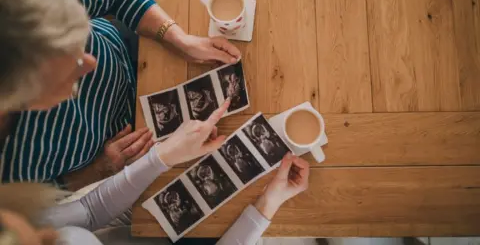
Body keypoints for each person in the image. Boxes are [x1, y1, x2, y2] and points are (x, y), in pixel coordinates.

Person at [0, 0, 241, 190]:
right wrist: (96, 171)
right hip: (125, 155)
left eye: (79, 42)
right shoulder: (9, 170)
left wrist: (179, 40)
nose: (91, 63)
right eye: (70, 70)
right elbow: (42, 201)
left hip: (127, 48)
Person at [0, 100, 311, 245]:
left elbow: (89, 211)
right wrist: (268, 203)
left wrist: (162, 156)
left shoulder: (10, 225)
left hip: (137, 228)